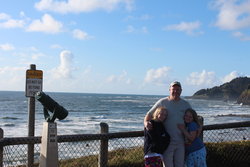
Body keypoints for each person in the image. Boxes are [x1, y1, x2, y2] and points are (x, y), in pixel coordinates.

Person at [144, 81, 191, 167]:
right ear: (169, 90)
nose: (175, 91)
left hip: (181, 141)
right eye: (173, 89)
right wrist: (146, 123)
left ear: (181, 90)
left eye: (178, 89)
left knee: (180, 165)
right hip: (167, 142)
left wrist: (195, 130)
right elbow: (148, 115)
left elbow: (193, 117)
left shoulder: (185, 104)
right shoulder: (162, 102)